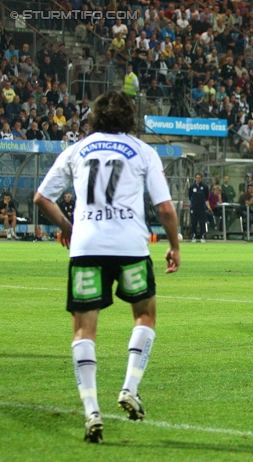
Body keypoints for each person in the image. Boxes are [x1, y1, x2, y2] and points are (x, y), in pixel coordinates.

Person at [33, 90, 181, 444]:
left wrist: (71, 230)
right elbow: (164, 208)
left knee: (84, 331)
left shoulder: (77, 149)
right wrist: (175, 245)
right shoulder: (143, 151)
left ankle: (91, 410)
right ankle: (130, 388)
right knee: (144, 317)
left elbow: (41, 198)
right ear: (130, 118)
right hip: (130, 247)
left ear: (94, 118)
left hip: (87, 248)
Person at [189, 173, 211, 243]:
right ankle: (194, 236)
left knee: (202, 222)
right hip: (194, 207)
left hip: (202, 208)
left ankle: (202, 236)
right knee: (194, 222)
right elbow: (190, 196)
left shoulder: (204, 186)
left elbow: (207, 196)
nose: (198, 179)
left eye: (199, 178)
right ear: (195, 178)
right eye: (197, 178)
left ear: (201, 178)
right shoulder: (192, 186)